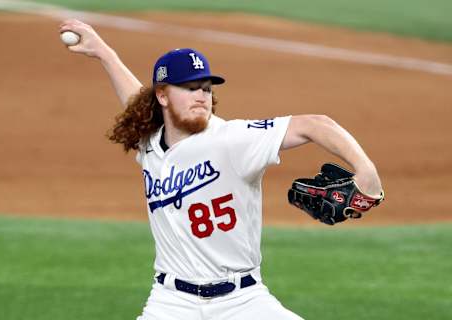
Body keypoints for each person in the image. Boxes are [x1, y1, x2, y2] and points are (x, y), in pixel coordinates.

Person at [59, 19, 383, 320]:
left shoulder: (233, 139)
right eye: (189, 88)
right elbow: (134, 99)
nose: (201, 95)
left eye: (206, 88)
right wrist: (104, 53)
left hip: (243, 301)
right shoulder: (150, 143)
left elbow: (316, 125)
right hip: (171, 303)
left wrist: (366, 172)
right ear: (162, 95)